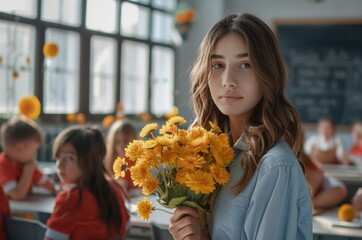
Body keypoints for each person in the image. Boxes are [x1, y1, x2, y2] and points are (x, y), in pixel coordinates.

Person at [168, 13, 312, 240]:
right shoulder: (209, 156)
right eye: (217, 64)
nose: (228, 79)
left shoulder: (275, 166)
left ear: (268, 73)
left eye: (245, 64)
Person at [44, 126, 130, 239]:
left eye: (70, 158)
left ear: (90, 161)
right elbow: (126, 230)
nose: (60, 165)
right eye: (59, 157)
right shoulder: (112, 186)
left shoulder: (71, 198)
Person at [0, 116, 55, 200]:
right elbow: (17, 195)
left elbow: (47, 184)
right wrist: (28, 171)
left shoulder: (25, 162)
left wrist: (57, 190)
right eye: (34, 150)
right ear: (19, 148)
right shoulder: (3, 164)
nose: (35, 154)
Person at [301, 142, 347, 210]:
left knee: (339, 191)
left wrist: (311, 203)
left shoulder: (313, 170)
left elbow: (340, 191)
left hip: (317, 196)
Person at [104, 120, 138, 196]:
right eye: (118, 142)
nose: (122, 145)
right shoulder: (110, 161)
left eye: (126, 141)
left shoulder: (138, 162)